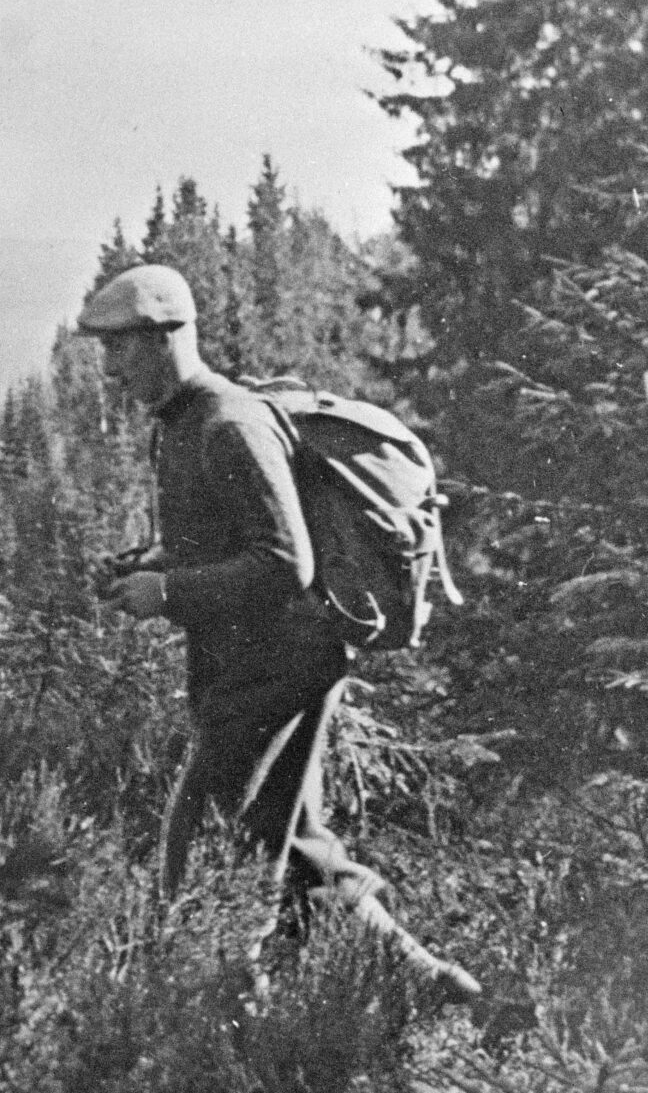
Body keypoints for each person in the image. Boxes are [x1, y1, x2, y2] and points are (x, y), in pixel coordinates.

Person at [78, 262, 481, 1003]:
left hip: (276, 665)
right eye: (106, 349)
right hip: (254, 661)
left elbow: (284, 563)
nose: (112, 366)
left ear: (168, 338)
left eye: (122, 347)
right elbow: (230, 536)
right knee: (302, 851)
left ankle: (217, 1030)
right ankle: (438, 989)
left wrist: (165, 592)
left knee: (201, 852)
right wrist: (158, 560)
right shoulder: (181, 426)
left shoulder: (228, 423)